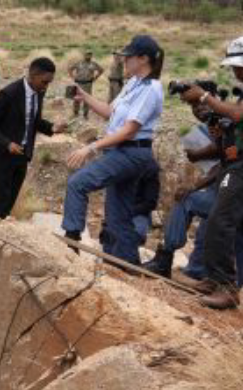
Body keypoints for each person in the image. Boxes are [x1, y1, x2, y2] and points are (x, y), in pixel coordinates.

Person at [179, 34, 243, 309]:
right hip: (242, 163)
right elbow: (234, 128)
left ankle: (225, 287)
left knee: (221, 219)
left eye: (238, 66)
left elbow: (238, 115)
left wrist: (204, 96)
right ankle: (216, 280)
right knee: (226, 221)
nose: (235, 72)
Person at [62, 35, 164, 265]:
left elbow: (129, 130)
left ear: (144, 59)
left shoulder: (151, 88)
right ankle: (128, 265)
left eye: (129, 57)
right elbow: (110, 112)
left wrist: (91, 147)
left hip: (131, 152)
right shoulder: (134, 83)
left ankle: (71, 243)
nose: (124, 60)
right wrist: (85, 96)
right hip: (122, 152)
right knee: (118, 217)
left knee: (78, 183)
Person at [144, 100, 222, 279]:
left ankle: (164, 256)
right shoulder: (205, 129)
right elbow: (216, 166)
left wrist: (194, 186)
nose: (199, 109)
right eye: (195, 106)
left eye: (203, 104)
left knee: (187, 200)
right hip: (227, 190)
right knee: (206, 223)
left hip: (236, 194)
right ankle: (197, 271)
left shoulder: (228, 125)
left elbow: (224, 163)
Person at [0, 57, 65, 220]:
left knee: (11, 198)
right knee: (2, 199)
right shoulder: (9, 93)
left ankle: (3, 228)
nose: (46, 86)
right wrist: (7, 144)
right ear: (33, 75)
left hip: (23, 154)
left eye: (49, 83)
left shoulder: (39, 92)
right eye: (44, 82)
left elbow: (34, 120)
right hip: (4, 155)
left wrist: (52, 127)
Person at [68, 51, 103, 119]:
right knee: (76, 98)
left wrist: (95, 77)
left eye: (90, 54)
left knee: (87, 99)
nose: (88, 56)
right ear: (84, 55)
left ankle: (85, 114)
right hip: (78, 83)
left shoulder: (93, 64)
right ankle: (75, 113)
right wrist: (73, 77)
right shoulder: (79, 63)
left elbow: (101, 70)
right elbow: (70, 69)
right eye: (87, 54)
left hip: (88, 84)